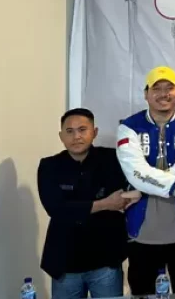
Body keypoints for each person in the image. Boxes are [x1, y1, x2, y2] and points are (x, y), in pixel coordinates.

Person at [116, 66, 175, 296]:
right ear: (146, 93)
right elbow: (135, 173)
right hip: (142, 234)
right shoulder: (128, 127)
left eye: (169, 88)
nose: (163, 94)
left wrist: (144, 189)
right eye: (156, 88)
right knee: (142, 292)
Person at [38, 108, 130, 298]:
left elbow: (123, 198)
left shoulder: (113, 160)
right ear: (61, 136)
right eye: (69, 131)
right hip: (64, 262)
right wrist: (105, 203)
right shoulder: (49, 166)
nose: (76, 136)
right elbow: (56, 209)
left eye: (82, 130)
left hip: (106, 259)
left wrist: (79, 206)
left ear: (94, 132)